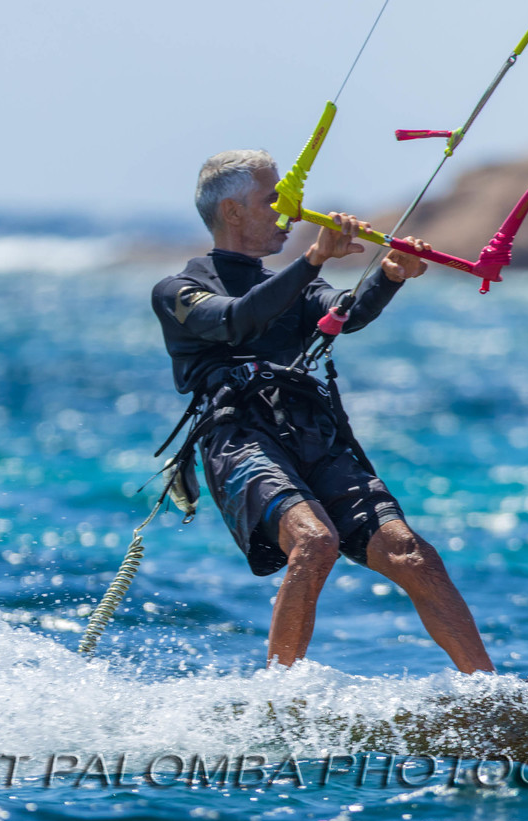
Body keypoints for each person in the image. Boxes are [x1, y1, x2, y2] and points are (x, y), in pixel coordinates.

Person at [149, 149, 494, 673]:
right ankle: (280, 695)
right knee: (315, 541)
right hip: (240, 440)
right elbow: (236, 322)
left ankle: (490, 696)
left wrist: (389, 275)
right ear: (234, 211)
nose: (290, 214)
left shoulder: (301, 285)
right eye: (276, 201)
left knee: (412, 555)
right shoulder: (179, 290)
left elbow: (343, 314)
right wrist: (312, 259)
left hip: (310, 432)